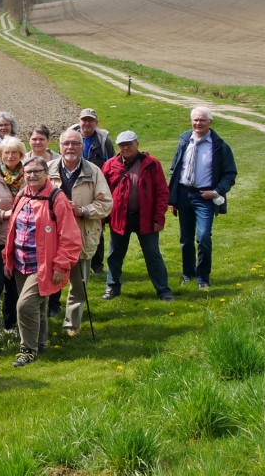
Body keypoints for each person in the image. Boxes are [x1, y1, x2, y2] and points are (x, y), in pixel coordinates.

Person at [3, 156, 81, 367]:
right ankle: (41, 343)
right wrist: (7, 258)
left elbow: (70, 237)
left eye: (37, 171)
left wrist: (62, 264)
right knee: (38, 305)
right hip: (21, 262)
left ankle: (27, 350)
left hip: (43, 264)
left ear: (47, 173)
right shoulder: (22, 195)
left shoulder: (57, 198)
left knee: (25, 305)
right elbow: (13, 229)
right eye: (28, 172)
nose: (32, 175)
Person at [47, 129, 113, 337]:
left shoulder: (93, 171)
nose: (70, 148)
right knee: (48, 278)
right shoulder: (47, 170)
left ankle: (71, 324)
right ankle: (43, 321)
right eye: (66, 144)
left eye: (75, 144)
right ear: (60, 146)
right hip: (52, 235)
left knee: (79, 284)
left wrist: (82, 210)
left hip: (81, 234)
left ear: (82, 146)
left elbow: (106, 204)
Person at [167, 107, 237, 292]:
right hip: (183, 195)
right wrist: (173, 199)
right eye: (195, 120)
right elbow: (175, 170)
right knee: (186, 239)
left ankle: (203, 278)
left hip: (204, 197)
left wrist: (216, 192)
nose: (198, 123)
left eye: (202, 120)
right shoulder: (184, 141)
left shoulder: (220, 146)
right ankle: (187, 275)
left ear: (210, 123)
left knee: (204, 237)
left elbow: (230, 175)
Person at [101, 131, 173, 302]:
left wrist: (159, 218)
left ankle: (163, 291)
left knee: (153, 254)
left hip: (146, 218)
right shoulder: (110, 165)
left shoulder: (152, 164)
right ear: (118, 146)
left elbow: (162, 192)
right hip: (119, 218)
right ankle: (112, 287)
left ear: (137, 144)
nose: (126, 147)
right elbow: (103, 194)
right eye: (122, 144)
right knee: (115, 255)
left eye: (130, 144)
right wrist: (103, 219)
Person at [0, 136, 26, 336]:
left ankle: (10, 324)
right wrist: (5, 214)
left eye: (14, 153)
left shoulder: (28, 176)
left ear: (21, 155)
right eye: (6, 153)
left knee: (14, 285)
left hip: (21, 239)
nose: (10, 156)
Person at [71, 108, 116, 274]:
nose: (87, 123)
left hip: (96, 185)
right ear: (79, 121)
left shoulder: (104, 141)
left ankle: (97, 265)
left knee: (97, 225)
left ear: (96, 123)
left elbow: (112, 165)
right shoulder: (72, 137)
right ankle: (74, 260)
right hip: (75, 186)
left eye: (91, 120)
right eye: (84, 120)